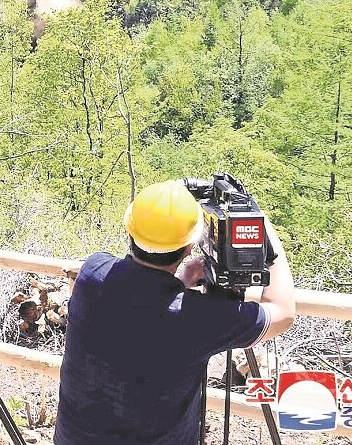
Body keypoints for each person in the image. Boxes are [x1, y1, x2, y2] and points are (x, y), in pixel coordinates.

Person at [54, 180, 297, 445]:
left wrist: (180, 282)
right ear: (190, 246)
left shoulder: (92, 273)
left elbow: (143, 309)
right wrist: (266, 238)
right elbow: (283, 313)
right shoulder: (200, 319)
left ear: (130, 231)